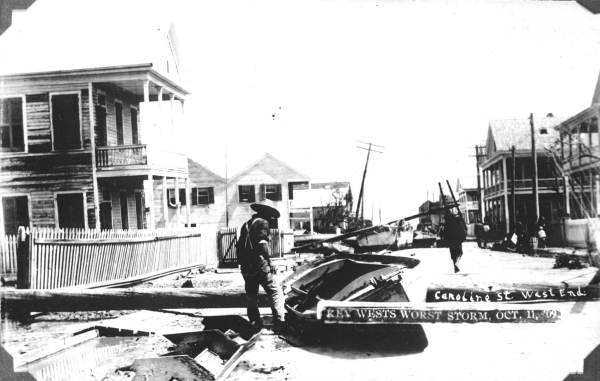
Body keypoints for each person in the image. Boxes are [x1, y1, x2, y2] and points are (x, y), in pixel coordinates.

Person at [236, 203, 287, 332]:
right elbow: (262, 244)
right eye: (272, 217)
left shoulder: (246, 224)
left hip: (246, 266)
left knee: (252, 294)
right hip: (259, 264)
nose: (272, 220)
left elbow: (240, 246)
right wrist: (269, 262)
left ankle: (254, 322)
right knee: (275, 291)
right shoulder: (263, 223)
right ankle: (280, 321)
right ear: (267, 214)